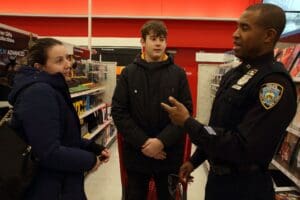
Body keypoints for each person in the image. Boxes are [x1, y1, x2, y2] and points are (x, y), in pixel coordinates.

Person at [161, 3, 297, 200]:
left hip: (246, 189)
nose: (235, 34)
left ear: (268, 36)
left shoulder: (274, 84)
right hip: (218, 184)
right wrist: (195, 160)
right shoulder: (234, 74)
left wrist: (188, 123)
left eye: (245, 28)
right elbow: (217, 128)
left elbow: (243, 145)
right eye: (237, 26)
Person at [8, 38, 110, 200]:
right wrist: (90, 160)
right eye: (59, 61)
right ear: (39, 67)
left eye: (68, 58)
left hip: (60, 183)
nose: (68, 64)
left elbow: (61, 136)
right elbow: (48, 152)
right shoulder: (39, 93)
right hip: (48, 187)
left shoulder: (51, 88)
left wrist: (91, 147)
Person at [111, 20, 193, 200]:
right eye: (153, 38)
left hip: (169, 156)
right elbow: (118, 111)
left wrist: (161, 142)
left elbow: (186, 113)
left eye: (162, 39)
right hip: (137, 155)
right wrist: (144, 142)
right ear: (142, 42)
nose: (158, 43)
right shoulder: (128, 73)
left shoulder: (178, 74)